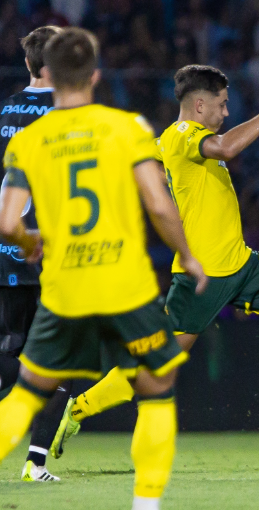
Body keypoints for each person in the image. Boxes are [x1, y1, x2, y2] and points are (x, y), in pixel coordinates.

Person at [55, 64, 259, 449]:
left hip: (241, 263)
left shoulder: (182, 139)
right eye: (222, 104)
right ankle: (77, 409)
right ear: (199, 105)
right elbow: (227, 148)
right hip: (203, 275)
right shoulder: (184, 134)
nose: (227, 112)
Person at [0, 27, 207, 510]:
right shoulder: (126, 126)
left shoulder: (31, 139)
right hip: (123, 281)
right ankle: (145, 503)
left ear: (49, 72)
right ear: (94, 75)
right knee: (156, 386)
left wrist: (30, 242)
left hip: (63, 280)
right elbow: (158, 204)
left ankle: (29, 455)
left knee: (27, 389)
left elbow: (8, 221)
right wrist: (187, 255)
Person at [0, 24, 68, 482]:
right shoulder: (66, 113)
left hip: (6, 244)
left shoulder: (7, 107)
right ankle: (35, 462)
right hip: (48, 248)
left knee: (11, 344)